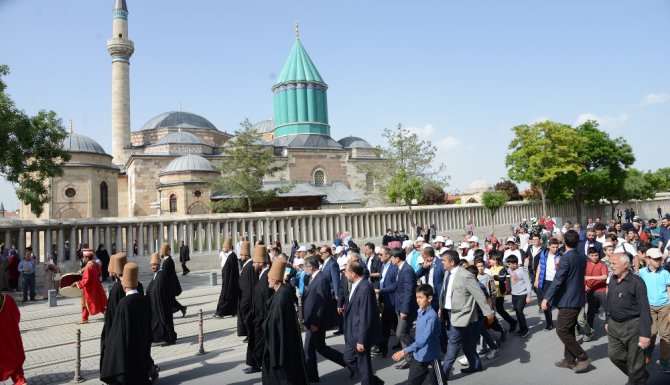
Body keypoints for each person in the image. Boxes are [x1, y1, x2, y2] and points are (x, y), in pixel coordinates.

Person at [101, 262, 158, 384]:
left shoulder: (124, 303)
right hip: (142, 341)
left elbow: (120, 329)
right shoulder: (144, 299)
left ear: (124, 286)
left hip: (129, 344)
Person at [542, 230, 591, 373]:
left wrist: (546, 298)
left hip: (569, 300)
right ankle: (569, 360)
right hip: (577, 297)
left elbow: (558, 280)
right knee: (568, 329)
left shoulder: (566, 258)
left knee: (561, 329)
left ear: (564, 241)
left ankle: (582, 357)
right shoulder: (581, 256)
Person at [440, 249, 494, 378]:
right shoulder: (447, 273)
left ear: (452, 262)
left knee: (453, 344)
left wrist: (489, 313)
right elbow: (446, 292)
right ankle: (476, 365)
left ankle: (442, 374)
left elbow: (479, 295)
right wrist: (441, 307)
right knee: (468, 342)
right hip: (449, 312)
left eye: (444, 261)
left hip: (461, 315)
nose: (442, 263)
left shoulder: (466, 275)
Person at [606, 252, 652, 384]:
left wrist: (645, 334)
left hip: (632, 326)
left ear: (625, 264)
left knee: (636, 362)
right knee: (614, 356)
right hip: (614, 325)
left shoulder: (637, 282)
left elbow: (644, 308)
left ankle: (636, 378)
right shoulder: (613, 278)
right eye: (610, 263)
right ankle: (639, 375)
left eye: (614, 263)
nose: (611, 266)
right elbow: (610, 300)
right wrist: (607, 319)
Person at [262, 257, 309, 384]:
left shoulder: (282, 295)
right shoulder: (280, 291)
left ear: (274, 279)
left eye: (269, 278)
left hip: (281, 344)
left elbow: (276, 321)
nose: (267, 280)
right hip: (280, 341)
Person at [303, 257, 349, 382]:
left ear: (311, 267)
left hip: (316, 322)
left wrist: (315, 323)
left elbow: (321, 303)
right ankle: (312, 376)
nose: (304, 269)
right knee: (313, 349)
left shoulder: (321, 279)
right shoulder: (314, 278)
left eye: (305, 266)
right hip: (311, 321)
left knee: (317, 348)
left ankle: (350, 363)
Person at [392, 284, 444, 385]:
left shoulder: (432, 317)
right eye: (416, 297)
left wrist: (404, 352)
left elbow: (423, 340)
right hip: (418, 357)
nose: (418, 300)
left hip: (431, 359)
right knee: (411, 382)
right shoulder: (420, 311)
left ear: (429, 298)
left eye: (420, 297)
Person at [343, 260, 384, 385]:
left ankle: (369, 381)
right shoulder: (356, 285)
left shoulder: (365, 287)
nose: (345, 275)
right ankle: (373, 381)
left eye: (346, 272)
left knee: (363, 364)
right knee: (349, 359)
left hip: (360, 334)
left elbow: (365, 315)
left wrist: (362, 339)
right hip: (353, 332)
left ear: (353, 274)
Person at [378, 247, 417, 370]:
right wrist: (381, 290)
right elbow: (395, 285)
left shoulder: (407, 270)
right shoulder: (399, 269)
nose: (390, 259)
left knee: (400, 333)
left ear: (397, 258)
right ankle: (409, 359)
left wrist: (404, 310)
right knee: (402, 334)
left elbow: (409, 292)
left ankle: (418, 347)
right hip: (398, 307)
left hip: (405, 309)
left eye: (392, 257)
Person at [637, 247, 670, 372]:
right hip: (648, 307)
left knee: (666, 334)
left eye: (660, 259)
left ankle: (665, 361)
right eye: (656, 259)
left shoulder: (665, 273)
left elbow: (669, 290)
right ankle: (647, 354)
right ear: (648, 260)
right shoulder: (641, 273)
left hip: (664, 306)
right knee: (651, 333)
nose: (659, 261)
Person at [243, 245, 269, 374]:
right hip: (257, 316)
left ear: (260, 263)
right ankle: (257, 363)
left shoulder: (267, 276)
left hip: (261, 317)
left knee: (260, 342)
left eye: (254, 263)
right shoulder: (261, 275)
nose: (253, 265)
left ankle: (258, 364)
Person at [373, 246, 398, 358]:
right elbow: (383, 280)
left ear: (388, 255)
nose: (379, 256)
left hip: (392, 300)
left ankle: (383, 347)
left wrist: (381, 290)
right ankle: (383, 346)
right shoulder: (383, 266)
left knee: (388, 324)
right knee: (390, 324)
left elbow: (395, 285)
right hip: (386, 299)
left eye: (381, 254)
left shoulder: (394, 267)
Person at [147, 253, 176, 346]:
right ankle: (160, 338)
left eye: (155, 265)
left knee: (166, 321)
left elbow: (161, 291)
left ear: (159, 264)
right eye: (151, 265)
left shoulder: (161, 275)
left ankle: (169, 339)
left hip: (162, 305)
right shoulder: (157, 275)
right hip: (156, 304)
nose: (153, 267)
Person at [0, 293, 27, 384]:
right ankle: (20, 381)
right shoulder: (7, 299)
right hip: (10, 339)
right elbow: (16, 316)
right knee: (15, 363)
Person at [535, 238, 561, 329]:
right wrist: (536, 279)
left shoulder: (560, 255)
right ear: (549, 246)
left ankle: (563, 322)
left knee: (560, 303)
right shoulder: (543, 254)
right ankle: (549, 323)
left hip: (556, 282)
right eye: (553, 247)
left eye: (557, 247)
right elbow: (540, 266)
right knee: (546, 303)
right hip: (545, 281)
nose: (555, 249)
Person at [76, 249, 107, 324]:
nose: (83, 259)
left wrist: (77, 283)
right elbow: (99, 273)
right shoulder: (95, 264)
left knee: (86, 303)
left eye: (84, 257)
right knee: (99, 302)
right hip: (96, 286)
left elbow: (86, 280)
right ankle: (85, 318)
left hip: (89, 288)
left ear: (87, 257)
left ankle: (84, 319)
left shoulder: (88, 267)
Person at [584, 247, 608, 340]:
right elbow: (583, 276)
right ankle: (589, 332)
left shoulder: (602, 264)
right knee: (590, 312)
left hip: (602, 291)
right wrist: (585, 285)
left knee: (608, 311)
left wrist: (590, 278)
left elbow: (604, 276)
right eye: (592, 255)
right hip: (591, 292)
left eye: (596, 255)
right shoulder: (586, 264)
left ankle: (611, 329)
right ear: (588, 256)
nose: (595, 257)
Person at [507, 255, 532, 337]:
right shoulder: (510, 269)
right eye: (508, 264)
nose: (509, 266)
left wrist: (529, 296)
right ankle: (521, 329)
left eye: (510, 264)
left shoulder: (522, 271)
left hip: (522, 294)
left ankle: (525, 330)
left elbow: (528, 284)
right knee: (517, 312)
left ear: (515, 264)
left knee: (519, 310)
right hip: (514, 294)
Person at [214, 237, 239, 318]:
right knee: (231, 297)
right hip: (229, 281)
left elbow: (229, 271)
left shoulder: (232, 257)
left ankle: (220, 313)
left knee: (225, 297)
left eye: (224, 247)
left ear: (228, 247)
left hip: (229, 282)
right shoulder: (231, 256)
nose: (223, 249)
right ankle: (233, 311)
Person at [159, 243, 187, 318]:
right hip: (170, 285)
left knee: (169, 300)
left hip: (170, 286)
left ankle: (174, 311)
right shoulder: (167, 260)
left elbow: (165, 275)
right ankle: (182, 308)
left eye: (162, 252)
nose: (161, 253)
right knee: (171, 300)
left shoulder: (167, 261)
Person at [237, 241, 257, 340]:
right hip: (244, 295)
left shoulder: (249, 266)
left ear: (246, 255)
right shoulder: (246, 265)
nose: (240, 257)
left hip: (247, 297)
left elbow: (251, 284)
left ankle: (251, 334)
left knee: (247, 315)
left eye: (241, 255)